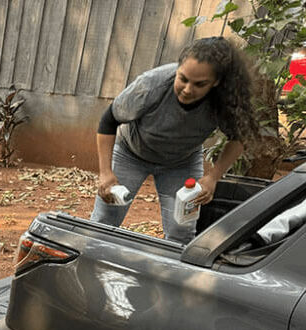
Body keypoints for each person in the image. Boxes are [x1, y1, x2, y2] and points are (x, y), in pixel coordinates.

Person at [91, 36, 259, 243]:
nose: (188, 89)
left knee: (182, 232)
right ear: (178, 69)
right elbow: (109, 120)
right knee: (103, 222)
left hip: (181, 163)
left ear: (216, 82)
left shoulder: (225, 101)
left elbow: (239, 137)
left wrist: (213, 177)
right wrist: (106, 173)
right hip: (131, 154)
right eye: (183, 79)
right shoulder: (151, 85)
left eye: (200, 84)